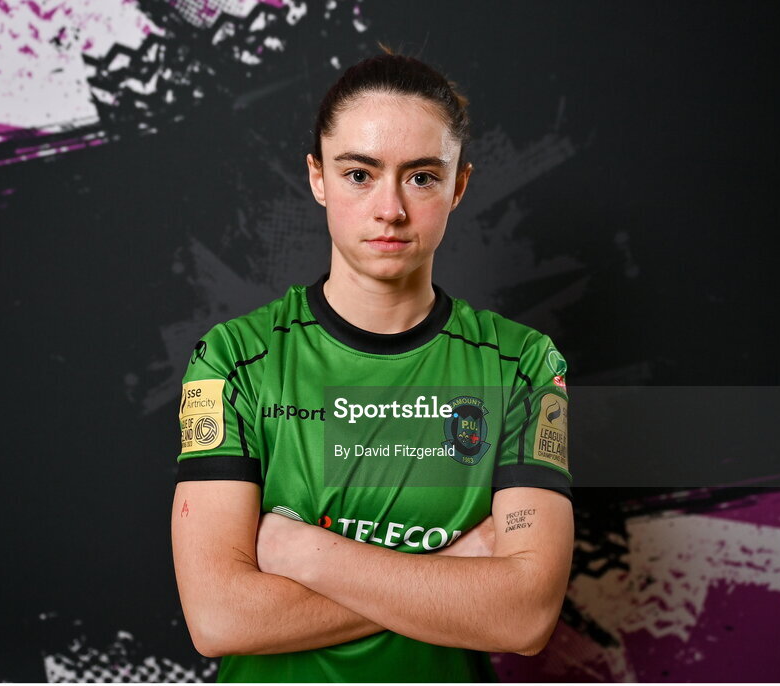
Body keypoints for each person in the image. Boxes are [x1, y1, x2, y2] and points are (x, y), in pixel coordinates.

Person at [170, 51, 573, 683]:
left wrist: (301, 551)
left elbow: (523, 620)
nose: (390, 209)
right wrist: (453, 574)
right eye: (359, 174)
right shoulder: (232, 360)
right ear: (318, 178)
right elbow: (220, 620)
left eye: (421, 177)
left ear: (458, 186)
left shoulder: (522, 365)